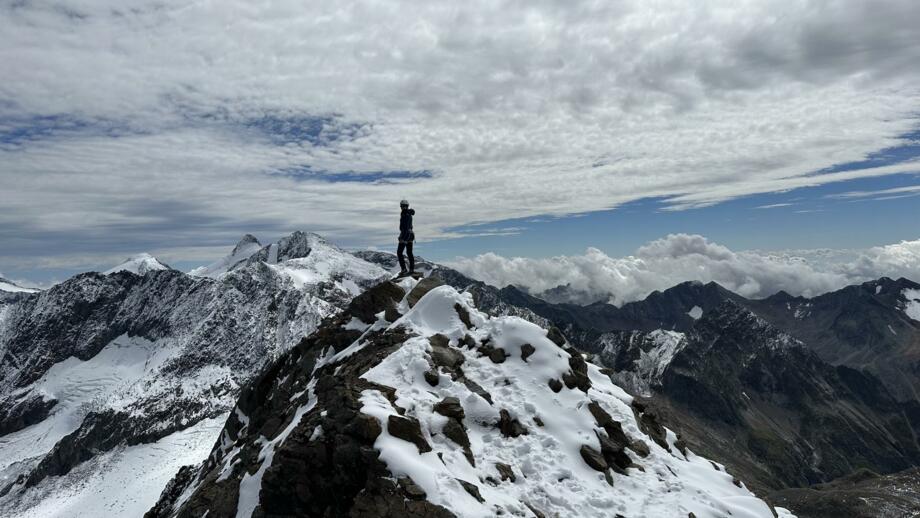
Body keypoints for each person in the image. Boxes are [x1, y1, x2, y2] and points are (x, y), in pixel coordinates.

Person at [397, 199, 415, 275]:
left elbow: (405, 227)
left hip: (405, 235)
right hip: (410, 235)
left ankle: (404, 269)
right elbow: (409, 226)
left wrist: (402, 238)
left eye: (403, 206)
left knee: (399, 252)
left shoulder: (405, 214)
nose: (402, 207)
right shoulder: (409, 214)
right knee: (409, 253)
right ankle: (411, 269)